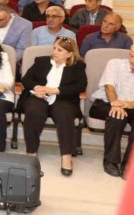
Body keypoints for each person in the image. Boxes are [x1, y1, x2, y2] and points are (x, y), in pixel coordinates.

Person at [20, 37, 87, 176]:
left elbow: (81, 86)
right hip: (39, 97)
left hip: (63, 99)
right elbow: (26, 80)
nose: (55, 52)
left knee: (64, 115)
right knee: (34, 111)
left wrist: (56, 90)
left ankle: (66, 156)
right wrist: (36, 88)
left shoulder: (77, 66)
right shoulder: (41, 61)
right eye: (54, 48)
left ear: (69, 54)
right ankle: (31, 152)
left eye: (60, 50)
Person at [88, 45, 134, 178]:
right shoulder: (115, 64)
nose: (133, 60)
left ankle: (130, 162)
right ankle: (110, 160)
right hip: (105, 103)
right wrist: (115, 103)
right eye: (131, 56)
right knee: (117, 115)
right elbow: (109, 86)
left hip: (132, 105)